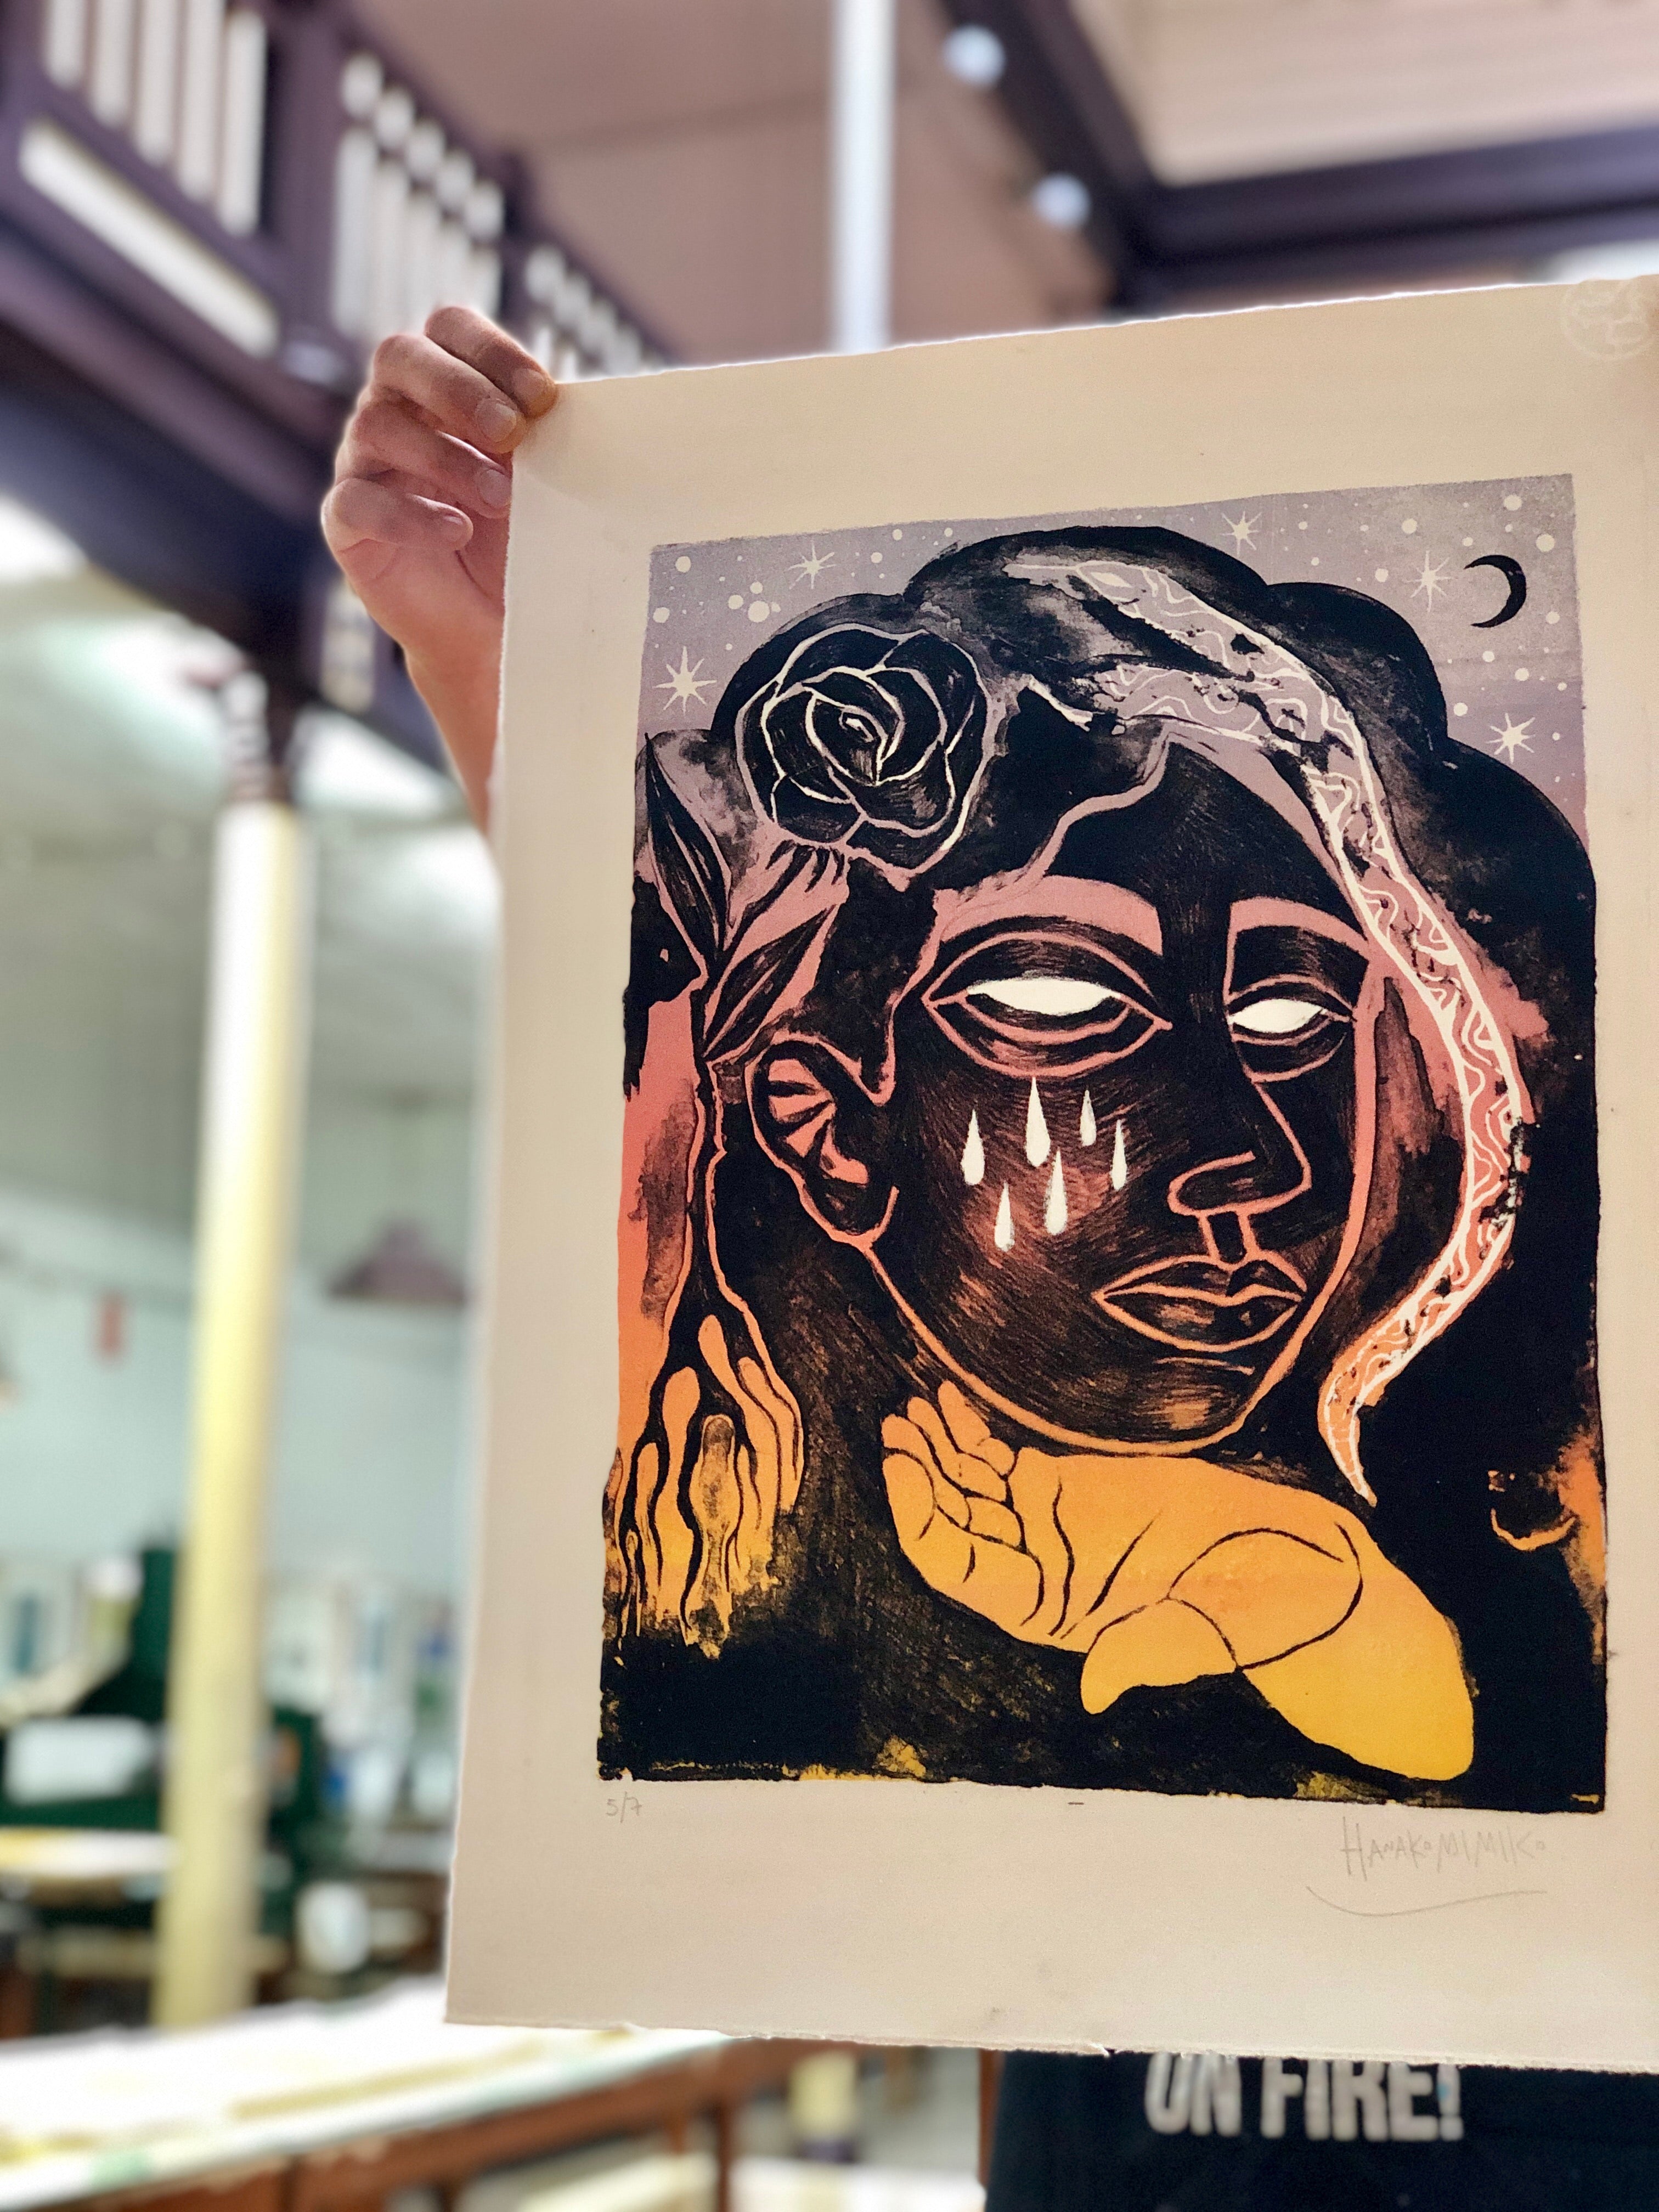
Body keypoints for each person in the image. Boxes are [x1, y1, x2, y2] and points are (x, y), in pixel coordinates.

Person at [325, 308, 1641, 2212]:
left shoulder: (1545, 1523)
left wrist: (1362, 1632)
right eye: (1059, 1001)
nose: (1255, 1161)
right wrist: (540, 670)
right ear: (823, 1118)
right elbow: (653, 1053)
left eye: (1295, 1016)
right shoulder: (801, 1593)